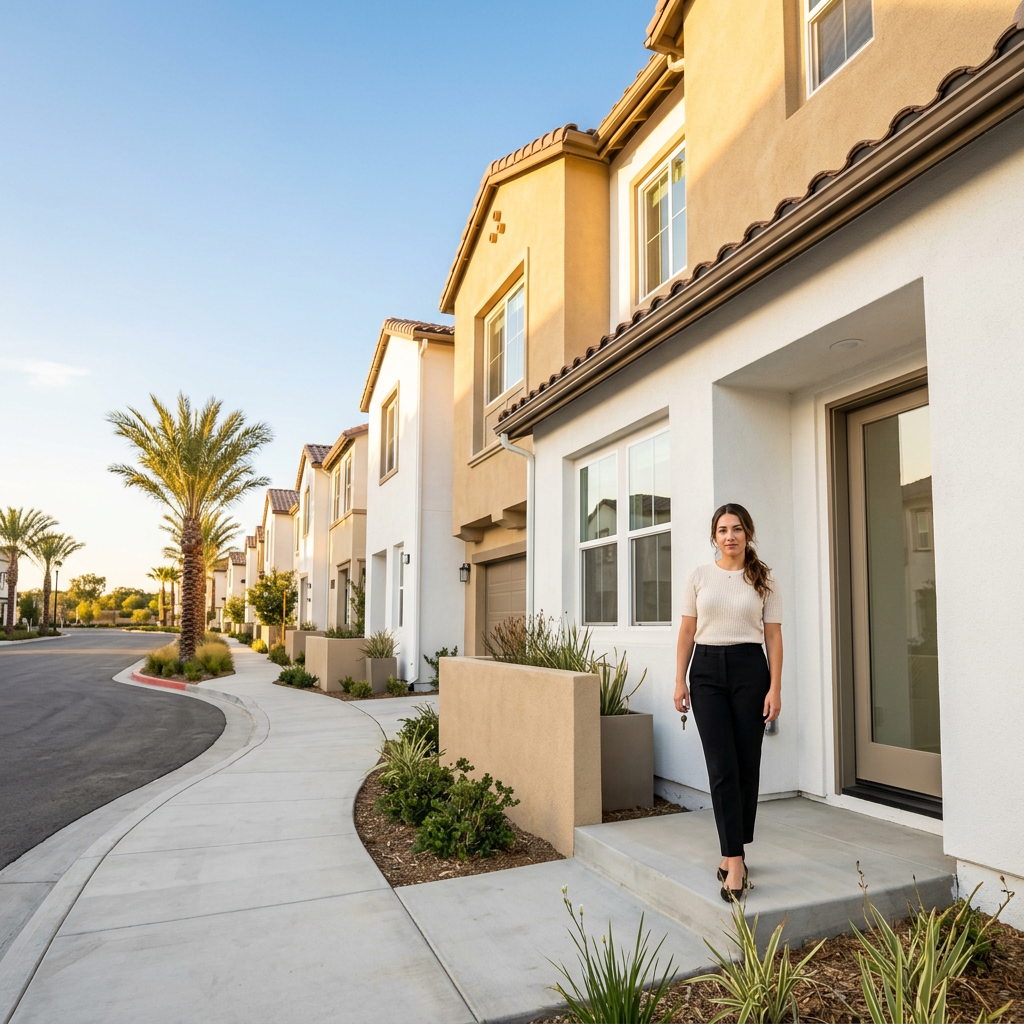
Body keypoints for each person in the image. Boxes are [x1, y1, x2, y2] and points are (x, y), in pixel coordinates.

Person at [673, 503, 782, 902]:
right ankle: (735, 863)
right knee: (721, 767)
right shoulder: (699, 577)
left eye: (737, 529)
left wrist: (775, 688)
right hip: (705, 673)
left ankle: (731, 851)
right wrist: (679, 680)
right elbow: (687, 632)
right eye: (722, 529)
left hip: (751, 671)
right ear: (714, 537)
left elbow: (773, 637)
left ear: (747, 533)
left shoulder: (763, 579)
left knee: (745, 767)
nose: (730, 536)